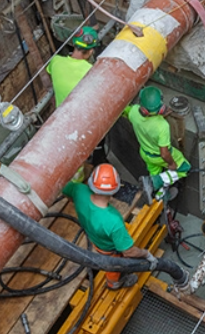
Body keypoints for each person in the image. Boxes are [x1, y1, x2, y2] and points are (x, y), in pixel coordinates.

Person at [62, 163, 158, 290]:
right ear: (115, 188)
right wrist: (146, 254)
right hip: (108, 250)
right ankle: (114, 283)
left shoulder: (79, 190)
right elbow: (128, 251)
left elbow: (64, 189)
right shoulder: (113, 221)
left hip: (94, 238)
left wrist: (77, 202)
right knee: (114, 267)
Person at [47, 26, 107, 177]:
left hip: (60, 121)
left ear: (74, 44)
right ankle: (79, 179)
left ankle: (76, 179)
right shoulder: (90, 72)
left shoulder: (55, 62)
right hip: (81, 124)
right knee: (80, 155)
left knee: (69, 154)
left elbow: (51, 71)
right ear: (91, 51)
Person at [123, 86, 191, 202]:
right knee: (184, 168)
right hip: (160, 156)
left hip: (145, 153)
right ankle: (153, 182)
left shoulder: (134, 111)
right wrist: (172, 164)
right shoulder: (162, 126)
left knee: (155, 173)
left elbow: (130, 115)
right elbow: (164, 153)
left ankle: (159, 196)